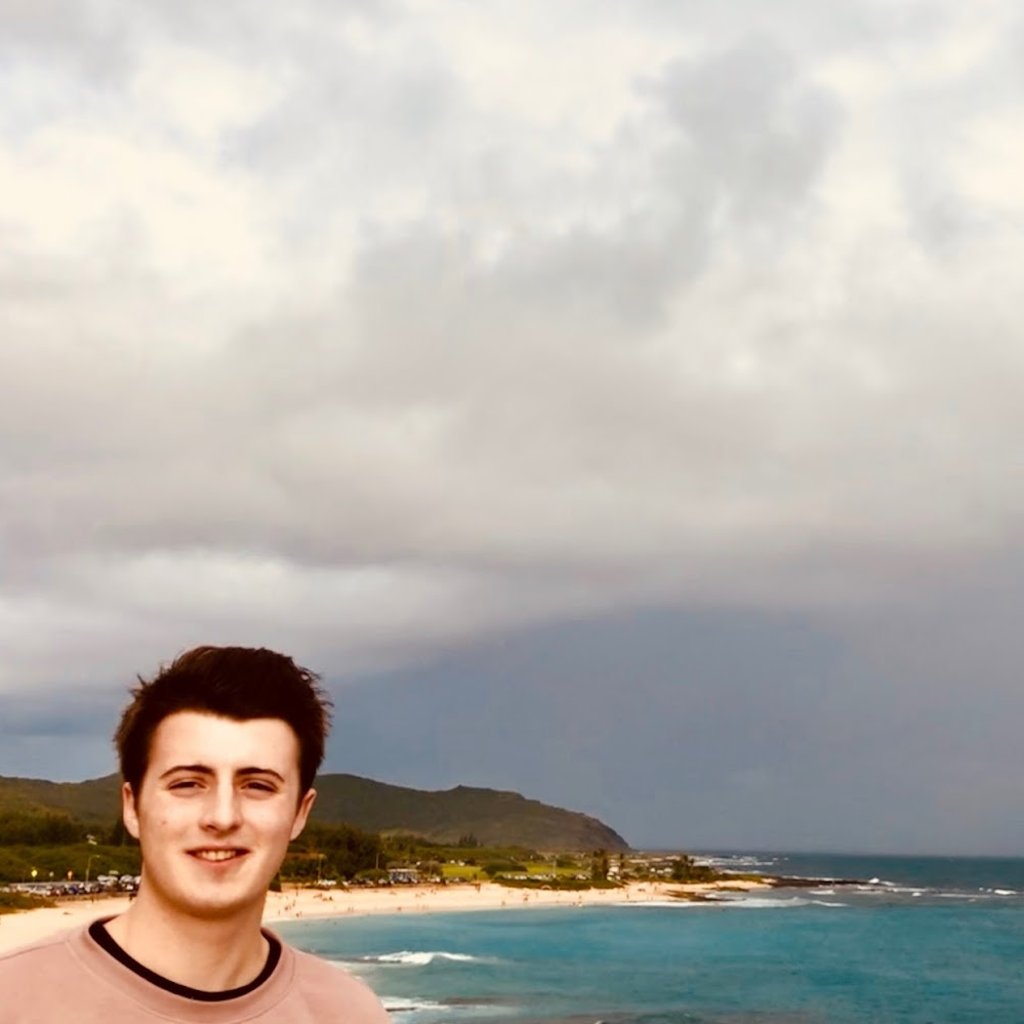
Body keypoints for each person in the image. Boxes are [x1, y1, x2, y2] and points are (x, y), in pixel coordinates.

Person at [0, 645, 390, 1022]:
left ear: (300, 813)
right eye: (187, 784)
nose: (222, 817)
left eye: (258, 786)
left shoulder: (350, 1013)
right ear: (132, 807)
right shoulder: (14, 999)